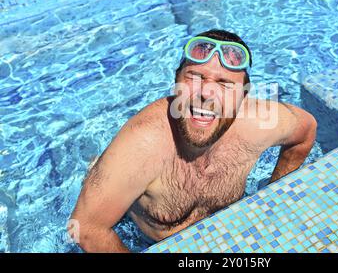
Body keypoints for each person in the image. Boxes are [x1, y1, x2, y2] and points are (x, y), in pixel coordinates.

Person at [69, 29, 317, 252]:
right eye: (195, 77)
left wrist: (272, 199)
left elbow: (306, 131)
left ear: (243, 95)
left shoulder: (258, 123)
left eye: (224, 83)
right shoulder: (144, 142)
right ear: (176, 82)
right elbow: (85, 228)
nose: (206, 93)